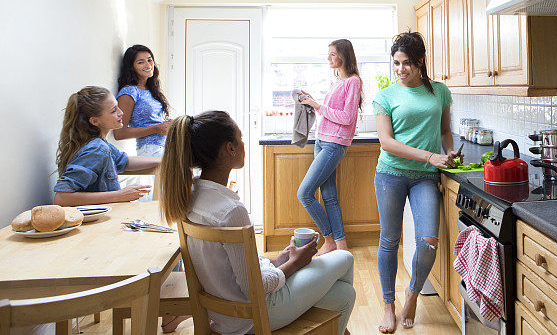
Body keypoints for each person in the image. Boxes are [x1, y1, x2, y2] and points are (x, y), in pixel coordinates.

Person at [159, 111, 356, 335]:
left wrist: (279, 258)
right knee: (345, 257)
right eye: (240, 138)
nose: (243, 144)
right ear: (230, 148)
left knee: (345, 295)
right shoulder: (231, 212)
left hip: (222, 314)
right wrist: (295, 263)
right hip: (251, 317)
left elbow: (232, 266)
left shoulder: (191, 195)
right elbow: (257, 288)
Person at [372, 32, 457, 333]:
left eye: (406, 63)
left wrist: (448, 152)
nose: (401, 69)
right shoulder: (385, 96)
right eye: (396, 63)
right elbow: (387, 143)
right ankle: (387, 306)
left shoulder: (440, 92)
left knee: (429, 241)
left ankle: (412, 294)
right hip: (391, 174)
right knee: (389, 240)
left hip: (425, 177)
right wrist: (430, 156)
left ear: (420, 61)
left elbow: (446, 130)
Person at [297, 39, 363, 255]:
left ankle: (329, 239)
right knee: (329, 196)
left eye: (333, 54)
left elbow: (347, 117)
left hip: (335, 144)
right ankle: (341, 246)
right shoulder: (337, 81)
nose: (329, 58)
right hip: (322, 141)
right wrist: (313, 103)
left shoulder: (353, 82)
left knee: (305, 193)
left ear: (344, 56)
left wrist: (318, 105)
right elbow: (331, 112)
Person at [53, 86, 161, 206]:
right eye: (113, 110)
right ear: (94, 121)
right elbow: (62, 198)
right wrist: (120, 195)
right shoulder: (97, 148)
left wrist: (162, 160)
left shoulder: (100, 144)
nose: (121, 113)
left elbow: (124, 161)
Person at [114, 44, 171, 157]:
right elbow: (119, 133)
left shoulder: (151, 90)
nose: (148, 65)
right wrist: (156, 128)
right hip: (149, 150)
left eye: (149, 60)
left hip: (165, 147)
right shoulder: (129, 92)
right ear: (131, 67)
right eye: (140, 62)